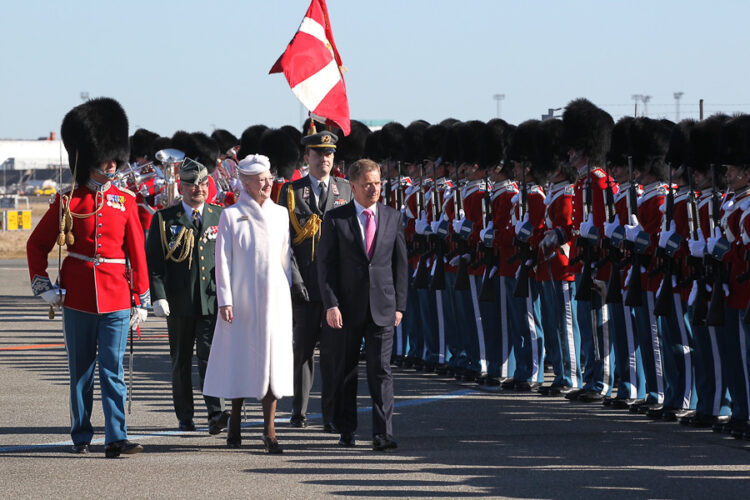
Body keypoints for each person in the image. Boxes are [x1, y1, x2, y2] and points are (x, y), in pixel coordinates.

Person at [26, 97, 150, 458]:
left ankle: (116, 438)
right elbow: (37, 245)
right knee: (80, 372)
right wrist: (42, 285)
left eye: (114, 159)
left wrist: (140, 297)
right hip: (78, 296)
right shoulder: (68, 201)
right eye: (105, 159)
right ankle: (81, 435)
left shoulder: (125, 201)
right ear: (89, 159)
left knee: (113, 371)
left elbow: (137, 253)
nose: (111, 166)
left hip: (116, 298)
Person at [203, 154, 293, 454]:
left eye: (269, 178)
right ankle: (235, 421)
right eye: (260, 179)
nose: (267, 183)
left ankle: (270, 429)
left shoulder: (280, 213)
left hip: (275, 296)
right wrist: (225, 299)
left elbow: (285, 258)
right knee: (241, 359)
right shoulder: (231, 215)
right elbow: (223, 260)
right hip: (242, 298)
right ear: (245, 182)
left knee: (273, 362)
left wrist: (287, 291)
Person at [317, 158, 409, 451]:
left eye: (378, 183)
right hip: (346, 307)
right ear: (353, 185)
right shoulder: (336, 218)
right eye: (367, 184)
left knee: (381, 370)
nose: (374, 189)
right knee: (345, 370)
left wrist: (399, 306)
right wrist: (331, 304)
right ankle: (347, 429)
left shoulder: (392, 217)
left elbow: (400, 265)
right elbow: (326, 266)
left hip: (382, 307)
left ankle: (383, 432)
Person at [145, 158, 229, 434]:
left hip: (211, 300)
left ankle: (216, 413)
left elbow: (230, 261)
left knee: (211, 358)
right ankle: (185, 415)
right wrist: (159, 296)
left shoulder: (220, 216)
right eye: (192, 184)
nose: (198, 189)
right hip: (179, 303)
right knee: (180, 360)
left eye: (203, 183)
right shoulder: (164, 219)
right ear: (181, 187)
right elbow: (155, 263)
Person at [277, 128, 352, 431]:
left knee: (334, 356)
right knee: (302, 352)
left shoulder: (345, 190)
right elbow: (284, 242)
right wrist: (295, 281)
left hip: (336, 289)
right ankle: (299, 410)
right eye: (319, 153)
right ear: (306, 157)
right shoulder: (291, 192)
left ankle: (331, 413)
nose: (325, 158)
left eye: (329, 153)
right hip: (305, 286)